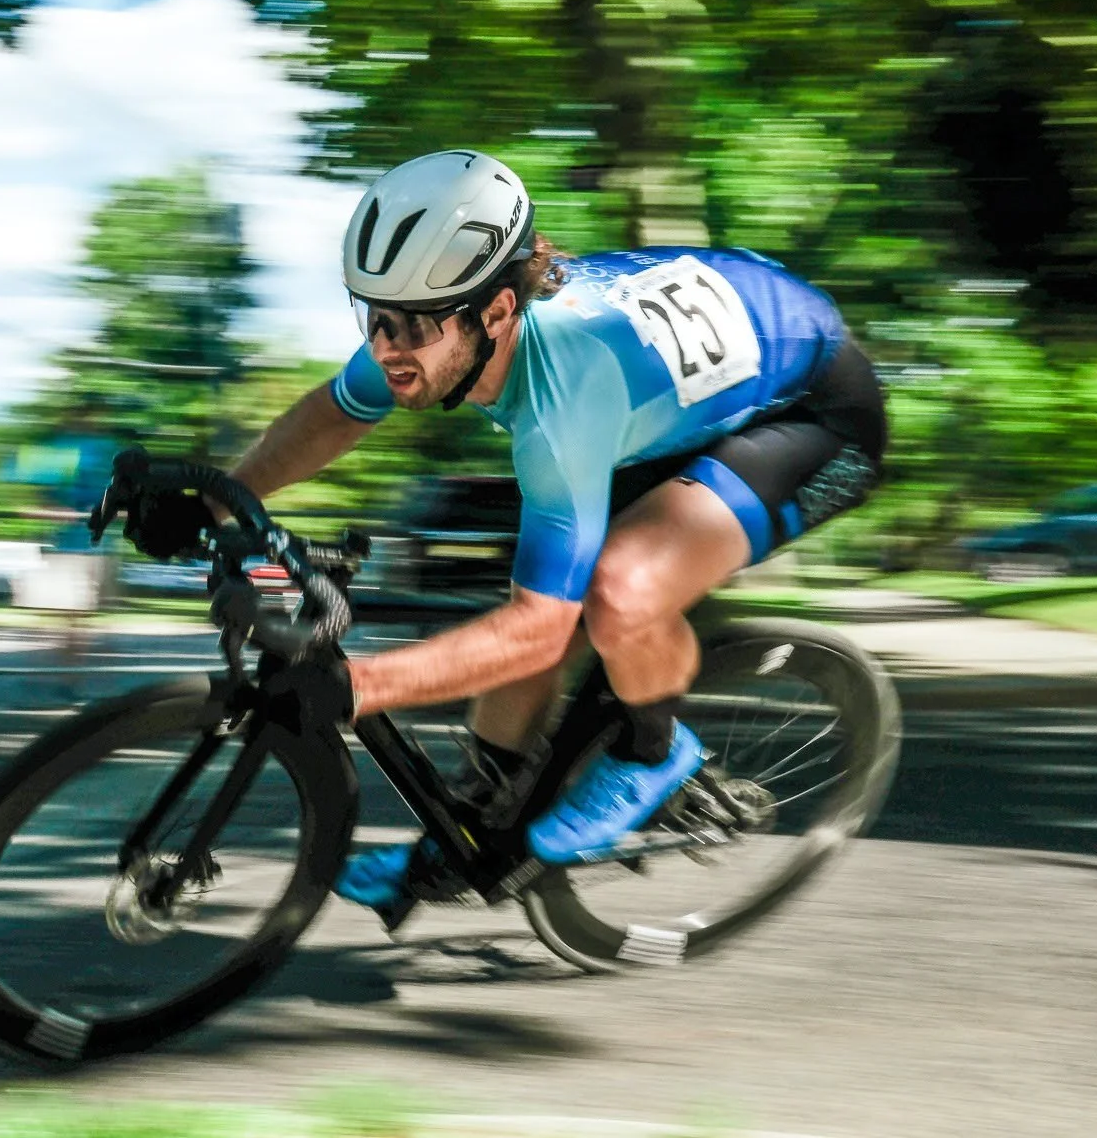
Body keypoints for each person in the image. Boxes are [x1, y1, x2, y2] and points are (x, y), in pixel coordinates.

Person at [121, 149, 889, 930]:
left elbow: (534, 631)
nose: (388, 348)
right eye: (372, 316)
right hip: (671, 401)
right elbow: (334, 412)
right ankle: (473, 829)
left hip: (814, 413)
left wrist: (357, 689)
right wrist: (223, 501)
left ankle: (655, 752)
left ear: (495, 313)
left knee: (615, 591)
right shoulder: (436, 323)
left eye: (412, 325)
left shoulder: (563, 394)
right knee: (531, 612)